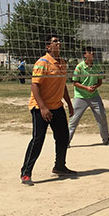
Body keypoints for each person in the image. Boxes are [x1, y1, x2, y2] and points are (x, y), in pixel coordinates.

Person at [20, 35, 77, 185]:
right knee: (38, 139)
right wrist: (43, 108)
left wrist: (70, 105)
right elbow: (35, 86)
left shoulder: (63, 63)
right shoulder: (42, 63)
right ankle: (26, 173)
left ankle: (59, 167)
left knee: (63, 137)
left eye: (59, 41)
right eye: (55, 42)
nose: (58, 43)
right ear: (48, 46)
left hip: (57, 106)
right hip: (40, 107)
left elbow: (62, 85)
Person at [67, 46, 109, 146]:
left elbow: (100, 81)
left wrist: (95, 86)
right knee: (73, 121)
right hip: (80, 97)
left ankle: (106, 140)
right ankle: (65, 142)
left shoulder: (97, 66)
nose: (92, 53)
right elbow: (75, 83)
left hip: (94, 96)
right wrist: (86, 88)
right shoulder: (79, 67)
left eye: (93, 51)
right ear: (85, 55)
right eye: (89, 52)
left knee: (102, 118)